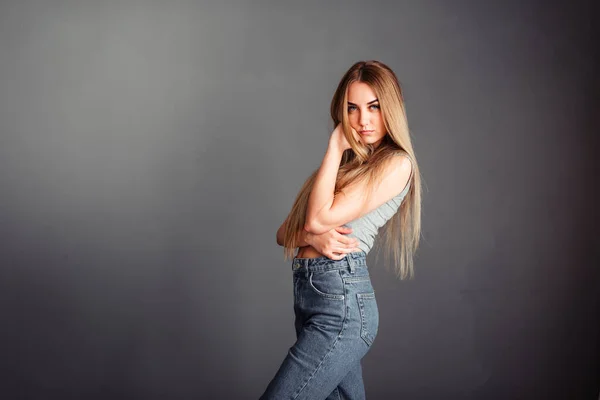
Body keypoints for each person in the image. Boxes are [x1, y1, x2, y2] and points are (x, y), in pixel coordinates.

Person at [259, 60, 421, 399]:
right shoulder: (348, 166)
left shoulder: (396, 163)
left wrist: (334, 145)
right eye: (353, 108)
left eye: (374, 107)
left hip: (341, 304)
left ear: (392, 106)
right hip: (312, 295)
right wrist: (311, 235)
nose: (362, 120)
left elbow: (316, 220)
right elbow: (283, 233)